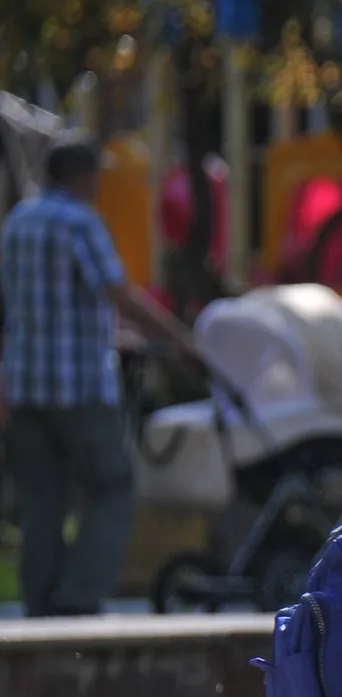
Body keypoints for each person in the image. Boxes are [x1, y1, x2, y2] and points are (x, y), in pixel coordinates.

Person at [0, 132, 196, 617]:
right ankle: (79, 597)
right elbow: (119, 293)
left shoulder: (18, 221)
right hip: (79, 386)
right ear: (86, 177)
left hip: (25, 384)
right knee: (110, 485)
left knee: (41, 497)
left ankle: (40, 601)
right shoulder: (81, 222)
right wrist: (180, 340)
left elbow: (38, 306)